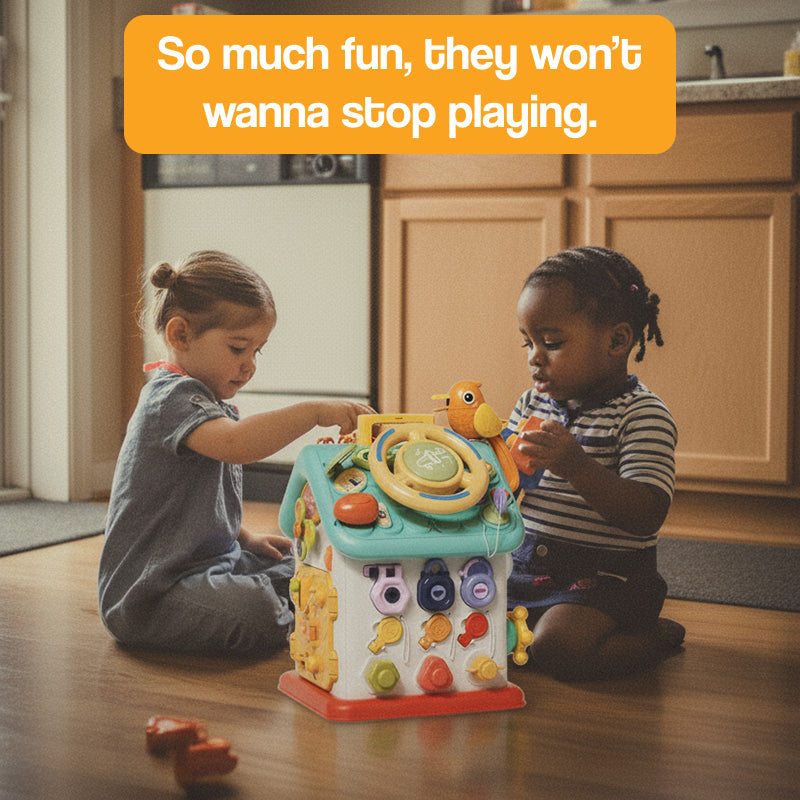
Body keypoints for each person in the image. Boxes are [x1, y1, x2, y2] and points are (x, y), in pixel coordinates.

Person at [98, 250, 374, 656]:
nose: (249, 366)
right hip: (151, 595)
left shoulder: (203, 401)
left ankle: (295, 594)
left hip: (208, 566)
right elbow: (239, 445)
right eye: (238, 348)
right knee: (255, 611)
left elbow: (191, 505)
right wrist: (314, 412)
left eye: (256, 352)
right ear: (181, 336)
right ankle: (291, 607)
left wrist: (244, 538)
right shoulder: (170, 399)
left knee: (300, 561)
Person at [505, 246, 685, 681]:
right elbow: (506, 487)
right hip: (527, 567)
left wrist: (576, 466)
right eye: (528, 343)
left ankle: (655, 635)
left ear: (617, 341)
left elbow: (645, 514)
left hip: (605, 578)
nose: (534, 357)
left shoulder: (642, 415)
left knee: (555, 649)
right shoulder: (531, 403)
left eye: (551, 343)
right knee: (461, 621)